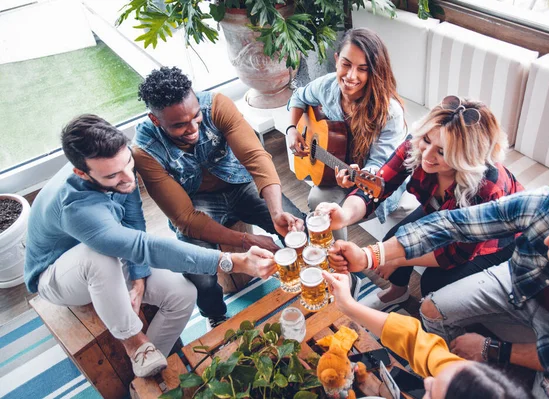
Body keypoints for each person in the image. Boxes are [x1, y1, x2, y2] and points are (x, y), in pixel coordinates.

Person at [24, 115, 277, 378]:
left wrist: (138, 275)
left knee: (183, 293)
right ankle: (135, 345)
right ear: (81, 172)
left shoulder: (119, 165)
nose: (127, 177)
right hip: (59, 276)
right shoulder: (76, 208)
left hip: (113, 254)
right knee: (97, 259)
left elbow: (132, 219)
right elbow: (143, 246)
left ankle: (149, 372)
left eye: (127, 164)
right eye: (113, 175)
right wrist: (231, 261)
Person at [329, 178, 549, 398]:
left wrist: (491, 349)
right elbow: (456, 224)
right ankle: (448, 383)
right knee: (432, 308)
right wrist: (370, 256)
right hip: (517, 284)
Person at [132, 67, 304, 326]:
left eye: (195, 116)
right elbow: (186, 218)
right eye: (179, 125)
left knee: (298, 226)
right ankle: (216, 317)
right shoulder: (144, 150)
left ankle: (311, 277)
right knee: (198, 272)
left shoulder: (216, 105)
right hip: (195, 202)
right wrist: (245, 239)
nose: (193, 128)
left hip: (239, 182)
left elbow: (255, 158)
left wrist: (277, 212)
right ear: (155, 120)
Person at [319, 95, 522, 310]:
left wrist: (396, 259)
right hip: (441, 211)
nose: (427, 154)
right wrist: (345, 215)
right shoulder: (416, 146)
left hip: (497, 238)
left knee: (433, 284)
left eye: (442, 152)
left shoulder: (487, 188)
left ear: (466, 157)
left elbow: (455, 253)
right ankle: (397, 292)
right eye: (427, 140)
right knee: (394, 238)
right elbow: (379, 186)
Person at [322, 271, 532, 399]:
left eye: (432, 394)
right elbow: (417, 343)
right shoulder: (462, 382)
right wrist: (349, 306)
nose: (427, 382)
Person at [287, 27, 408, 242]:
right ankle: (337, 258)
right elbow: (299, 97)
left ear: (374, 71)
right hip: (334, 169)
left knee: (320, 201)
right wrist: (292, 129)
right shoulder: (328, 85)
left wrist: (356, 177)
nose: (351, 76)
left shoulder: (389, 113)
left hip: (366, 180)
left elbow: (381, 165)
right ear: (336, 60)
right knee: (318, 200)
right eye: (346, 65)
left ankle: (341, 263)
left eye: (362, 69)